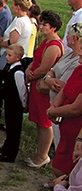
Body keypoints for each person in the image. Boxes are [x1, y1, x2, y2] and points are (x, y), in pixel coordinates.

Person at [26, 10, 64, 168]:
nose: (41, 27)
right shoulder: (45, 42)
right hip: (36, 84)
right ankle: (39, 153)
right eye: (40, 23)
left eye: (45, 25)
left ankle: (42, 155)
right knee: (39, 120)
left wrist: (31, 74)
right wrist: (29, 68)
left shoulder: (54, 46)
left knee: (44, 121)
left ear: (53, 28)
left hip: (42, 87)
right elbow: (36, 60)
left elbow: (43, 68)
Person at [47, 23, 82, 178]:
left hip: (76, 129)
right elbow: (66, 89)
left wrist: (53, 111)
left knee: (69, 170)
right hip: (65, 125)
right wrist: (55, 106)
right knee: (60, 165)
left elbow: (76, 108)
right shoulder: (78, 68)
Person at [0, 44, 26, 163]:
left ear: (18, 58)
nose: (6, 57)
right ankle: (6, 147)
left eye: (9, 55)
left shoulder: (18, 72)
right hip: (9, 102)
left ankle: (10, 154)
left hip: (15, 104)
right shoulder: (11, 68)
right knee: (9, 126)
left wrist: (24, 104)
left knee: (14, 129)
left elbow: (22, 90)